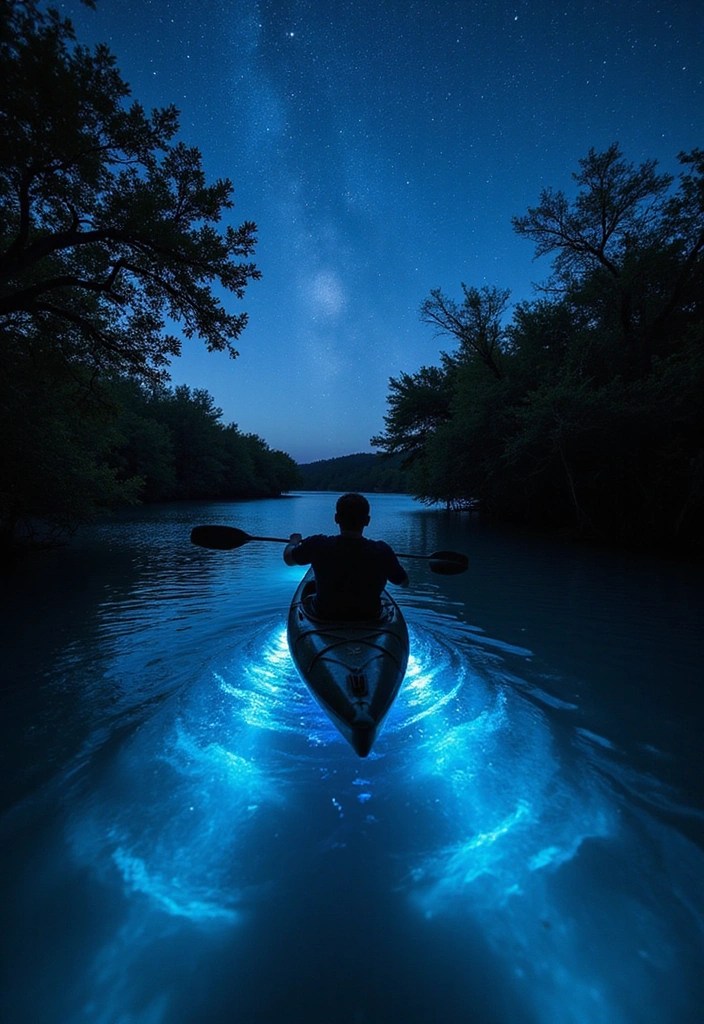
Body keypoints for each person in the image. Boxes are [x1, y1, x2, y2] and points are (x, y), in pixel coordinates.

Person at [283, 492, 409, 620]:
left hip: (324, 615)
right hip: (370, 617)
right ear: (367, 521)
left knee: (308, 596)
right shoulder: (382, 551)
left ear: (336, 518)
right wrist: (391, 563)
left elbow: (288, 559)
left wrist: (293, 542)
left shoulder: (317, 544)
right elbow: (404, 583)